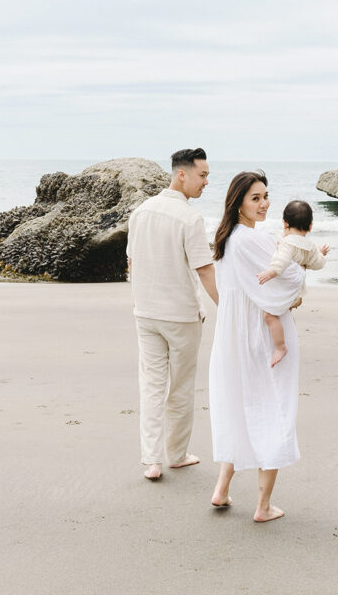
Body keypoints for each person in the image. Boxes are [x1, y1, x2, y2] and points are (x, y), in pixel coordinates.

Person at [208, 171, 305, 522]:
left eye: (266, 196)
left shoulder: (226, 238)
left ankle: (221, 489)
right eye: (255, 198)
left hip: (234, 334)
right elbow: (291, 275)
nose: (264, 204)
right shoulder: (251, 239)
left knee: (238, 407)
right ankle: (263, 506)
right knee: (272, 409)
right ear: (239, 202)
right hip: (258, 336)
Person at [127, 147, 218, 481]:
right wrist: (229, 306)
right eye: (202, 175)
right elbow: (205, 270)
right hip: (180, 316)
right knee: (179, 388)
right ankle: (176, 454)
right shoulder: (189, 218)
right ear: (183, 174)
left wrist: (140, 299)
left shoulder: (140, 211)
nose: (206, 182)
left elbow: (132, 263)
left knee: (151, 386)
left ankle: (152, 460)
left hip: (146, 313)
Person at [257, 200, 330, 368]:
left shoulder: (287, 243)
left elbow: (280, 261)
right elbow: (318, 264)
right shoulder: (310, 247)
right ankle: (287, 334)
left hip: (286, 290)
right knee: (284, 316)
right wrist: (321, 253)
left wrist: (270, 272)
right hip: (297, 293)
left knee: (269, 315)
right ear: (310, 226)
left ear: (285, 223)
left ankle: (280, 347)